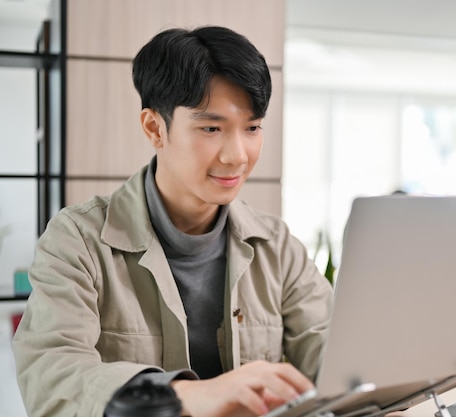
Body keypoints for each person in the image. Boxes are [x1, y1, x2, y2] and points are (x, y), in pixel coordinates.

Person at [12, 26, 333, 417]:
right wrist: (184, 397)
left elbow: (331, 350)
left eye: (252, 128)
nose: (237, 155)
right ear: (154, 128)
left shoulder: (277, 245)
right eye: (211, 128)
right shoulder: (77, 240)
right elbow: (51, 377)